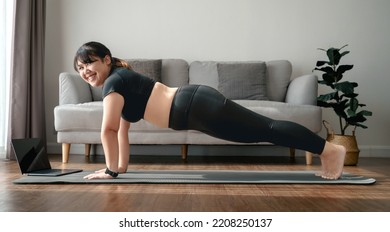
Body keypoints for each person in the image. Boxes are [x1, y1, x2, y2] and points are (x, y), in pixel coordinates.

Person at [74, 41, 346, 180]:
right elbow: (121, 130)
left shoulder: (114, 82)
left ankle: (330, 150)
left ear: (106, 60)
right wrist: (118, 168)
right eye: (80, 68)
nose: (86, 71)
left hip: (195, 107)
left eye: (89, 63)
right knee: (262, 131)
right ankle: (325, 151)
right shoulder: (118, 81)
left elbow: (107, 130)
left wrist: (109, 172)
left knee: (267, 129)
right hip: (196, 109)